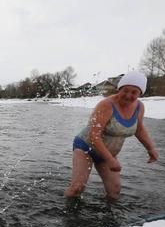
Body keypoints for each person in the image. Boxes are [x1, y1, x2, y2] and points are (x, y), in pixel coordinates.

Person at [64, 71, 158, 200]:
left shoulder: (139, 107)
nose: (128, 95)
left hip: (108, 154)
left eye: (134, 92)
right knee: (77, 188)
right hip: (86, 148)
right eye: (125, 90)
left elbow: (139, 129)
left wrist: (150, 149)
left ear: (140, 93)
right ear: (119, 89)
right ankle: (65, 215)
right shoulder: (106, 105)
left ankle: (109, 218)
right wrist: (110, 160)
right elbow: (94, 136)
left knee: (114, 192)